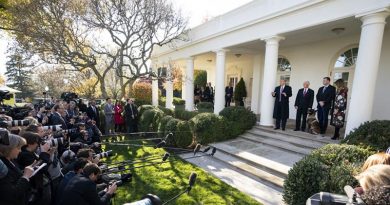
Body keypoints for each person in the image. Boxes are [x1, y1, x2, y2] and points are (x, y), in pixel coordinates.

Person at [0, 132, 34, 205]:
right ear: (9, 148)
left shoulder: (11, 159)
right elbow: (11, 195)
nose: (20, 151)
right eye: (18, 148)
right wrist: (25, 177)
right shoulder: (2, 166)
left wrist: (26, 171)